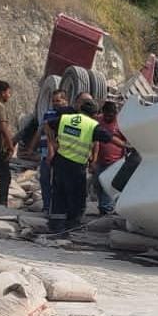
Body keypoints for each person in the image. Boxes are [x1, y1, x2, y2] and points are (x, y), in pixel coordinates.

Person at [47, 99, 126, 235]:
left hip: (60, 162)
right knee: (77, 196)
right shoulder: (92, 125)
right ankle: (71, 225)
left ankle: (56, 225)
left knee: (59, 193)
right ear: (95, 114)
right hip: (76, 166)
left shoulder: (65, 118)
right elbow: (109, 138)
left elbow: (47, 125)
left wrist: (53, 143)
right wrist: (127, 147)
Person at [27, 89, 68, 214]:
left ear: (65, 101)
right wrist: (31, 148)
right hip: (45, 153)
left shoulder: (69, 115)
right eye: (53, 101)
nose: (55, 103)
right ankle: (47, 206)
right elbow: (41, 131)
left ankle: (59, 208)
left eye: (58, 100)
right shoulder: (48, 113)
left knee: (59, 182)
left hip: (62, 154)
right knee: (44, 180)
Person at [91, 101, 125, 215]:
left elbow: (126, 142)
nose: (108, 118)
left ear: (115, 114)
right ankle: (103, 207)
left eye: (111, 116)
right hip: (100, 160)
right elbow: (95, 140)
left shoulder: (121, 123)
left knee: (108, 185)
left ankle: (107, 209)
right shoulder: (98, 121)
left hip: (115, 161)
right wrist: (93, 160)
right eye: (106, 115)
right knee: (98, 184)